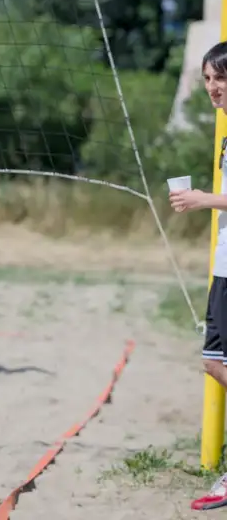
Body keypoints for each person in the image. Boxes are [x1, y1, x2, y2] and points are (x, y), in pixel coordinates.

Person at [170, 40, 227, 511]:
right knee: (213, 362)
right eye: (208, 78)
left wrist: (204, 199)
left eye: (220, 79)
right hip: (223, 265)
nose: (212, 87)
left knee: (217, 363)